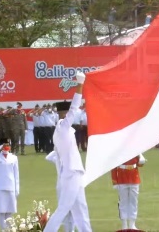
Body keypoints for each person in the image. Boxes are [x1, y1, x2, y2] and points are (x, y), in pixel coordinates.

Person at [43, 71, 92, 232]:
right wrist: (80, 85)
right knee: (64, 208)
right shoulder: (63, 127)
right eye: (67, 114)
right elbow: (74, 108)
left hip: (74, 173)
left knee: (81, 210)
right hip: (71, 173)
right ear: (63, 115)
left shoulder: (63, 129)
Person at [110, 154, 147, 230]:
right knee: (123, 202)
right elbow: (113, 168)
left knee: (133, 202)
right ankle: (124, 224)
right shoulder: (119, 152)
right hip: (122, 178)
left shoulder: (135, 150)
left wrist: (141, 158)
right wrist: (115, 182)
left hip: (134, 178)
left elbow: (140, 164)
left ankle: (132, 224)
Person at [45, 151, 75, 232]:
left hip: (69, 185)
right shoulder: (58, 159)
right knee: (63, 210)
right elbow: (47, 157)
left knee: (72, 210)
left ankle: (70, 229)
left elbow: (48, 157)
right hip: (62, 186)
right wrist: (57, 150)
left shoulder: (70, 159)